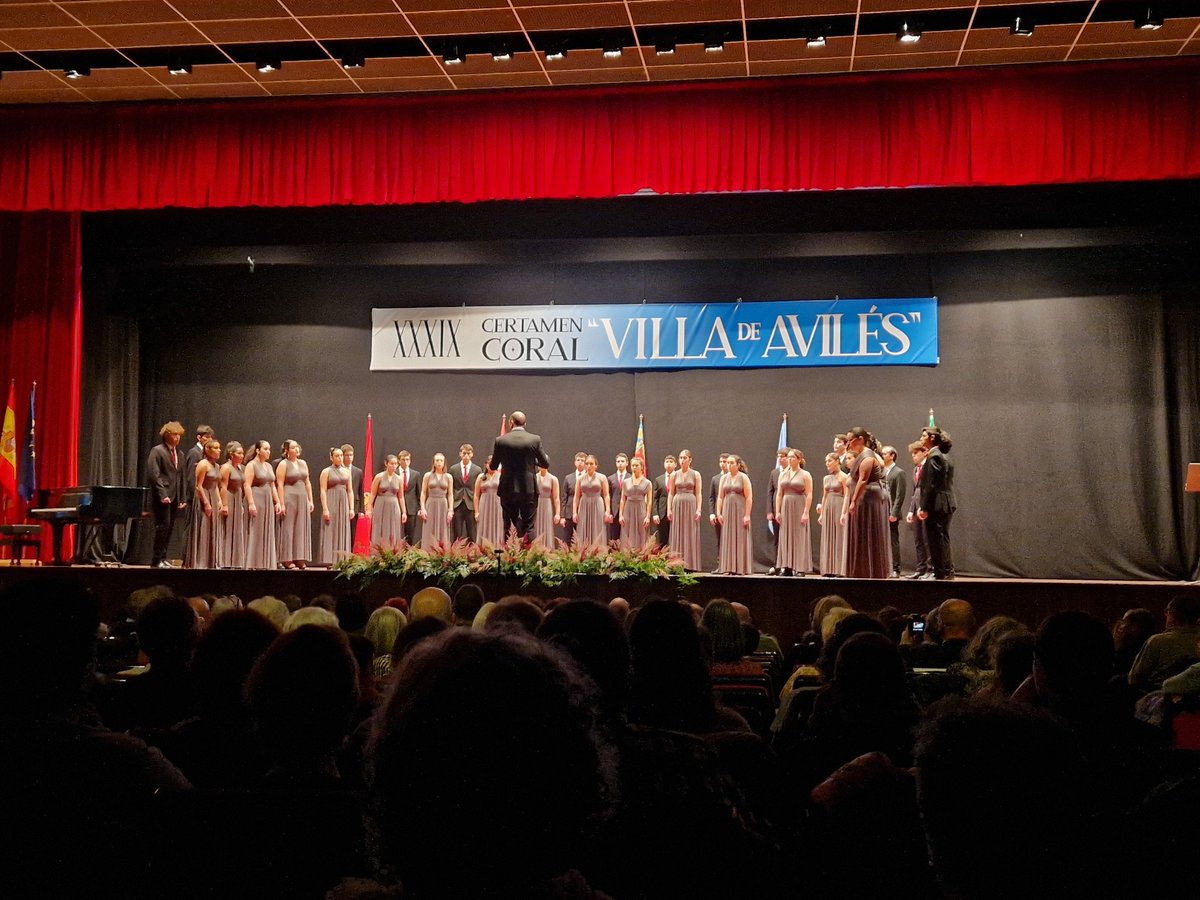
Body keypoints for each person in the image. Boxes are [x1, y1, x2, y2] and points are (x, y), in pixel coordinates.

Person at [489, 411, 550, 539]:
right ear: (525, 423)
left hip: (508, 488)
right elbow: (545, 463)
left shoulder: (500, 440)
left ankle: (509, 557)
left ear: (511, 422)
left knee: (508, 525)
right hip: (528, 488)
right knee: (529, 526)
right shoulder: (534, 439)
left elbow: (493, 466)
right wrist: (533, 461)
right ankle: (530, 556)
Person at [841, 426, 892, 579]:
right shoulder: (860, 455)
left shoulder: (868, 456)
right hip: (863, 497)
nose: (848, 443)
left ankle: (870, 571)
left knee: (867, 532)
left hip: (868, 498)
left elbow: (863, 480)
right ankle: (859, 570)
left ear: (861, 439)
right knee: (860, 533)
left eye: (851, 440)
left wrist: (853, 501)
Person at [916, 425, 956, 580]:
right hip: (944, 502)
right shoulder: (943, 456)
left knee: (935, 538)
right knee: (942, 537)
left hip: (937, 504)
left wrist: (924, 506)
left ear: (932, 438)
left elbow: (931, 485)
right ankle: (946, 571)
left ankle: (939, 572)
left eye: (923, 436)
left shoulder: (934, 457)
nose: (920, 439)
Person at [147, 420, 187, 568]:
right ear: (166, 435)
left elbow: (180, 477)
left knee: (169, 528)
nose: (177, 437)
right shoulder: (157, 451)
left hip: (175, 496)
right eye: (174, 434)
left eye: (179, 435)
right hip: (162, 496)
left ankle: (163, 557)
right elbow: (154, 475)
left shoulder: (180, 454)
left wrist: (182, 497)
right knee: (162, 527)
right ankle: (156, 560)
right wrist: (162, 494)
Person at [184, 439, 225, 568]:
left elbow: (216, 486)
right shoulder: (203, 464)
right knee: (204, 528)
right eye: (216, 448)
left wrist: (219, 501)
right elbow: (198, 486)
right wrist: (206, 503)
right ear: (207, 450)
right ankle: (199, 561)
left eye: (219, 448)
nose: (219, 451)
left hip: (213, 496)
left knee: (213, 529)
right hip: (203, 499)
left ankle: (211, 561)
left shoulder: (217, 466)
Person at [774, 447, 813, 576]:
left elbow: (809, 494)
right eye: (788, 457)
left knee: (799, 535)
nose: (789, 459)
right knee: (785, 535)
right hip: (786, 505)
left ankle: (800, 567)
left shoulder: (805, 475)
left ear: (799, 459)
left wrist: (806, 512)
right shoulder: (783, 473)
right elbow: (779, 494)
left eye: (792, 457)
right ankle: (787, 565)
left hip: (799, 505)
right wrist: (778, 511)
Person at [275, 440, 313, 570]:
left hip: (302, 496)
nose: (296, 449)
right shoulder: (283, 464)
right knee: (288, 527)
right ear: (286, 450)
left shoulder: (303, 463)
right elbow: (279, 484)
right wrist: (282, 502)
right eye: (293, 447)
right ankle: (287, 558)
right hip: (289, 496)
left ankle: (300, 557)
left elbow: (307, 482)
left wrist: (310, 500)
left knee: (301, 527)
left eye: (297, 447)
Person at [243, 440, 281, 569]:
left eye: (269, 449)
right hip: (256, 498)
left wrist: (277, 502)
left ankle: (264, 562)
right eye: (265, 449)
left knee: (266, 530)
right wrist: (251, 503)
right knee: (255, 530)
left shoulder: (269, 466)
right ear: (258, 450)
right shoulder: (251, 465)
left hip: (267, 500)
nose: (268, 451)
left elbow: (272, 485)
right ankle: (251, 563)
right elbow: (247, 485)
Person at [716, 455, 753, 574]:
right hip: (727, 510)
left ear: (738, 464)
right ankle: (728, 567)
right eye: (728, 463)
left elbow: (749, 498)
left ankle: (740, 567)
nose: (729, 465)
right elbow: (720, 497)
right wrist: (719, 512)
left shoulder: (743, 478)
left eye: (732, 463)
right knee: (728, 537)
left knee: (740, 536)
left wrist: (747, 515)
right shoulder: (724, 478)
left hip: (740, 510)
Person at [316, 447, 352, 566]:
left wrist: (351, 508)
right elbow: (322, 490)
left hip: (343, 501)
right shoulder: (326, 471)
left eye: (341, 455)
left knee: (342, 528)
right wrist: (325, 508)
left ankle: (342, 559)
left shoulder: (347, 471)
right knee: (331, 528)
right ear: (331, 457)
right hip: (331, 500)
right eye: (337, 456)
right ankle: (330, 560)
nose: (340, 458)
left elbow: (350, 491)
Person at [667, 449, 702, 571]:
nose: (682, 460)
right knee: (677, 531)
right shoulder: (674, 475)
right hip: (677, 503)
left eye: (684, 458)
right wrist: (669, 509)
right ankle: (676, 564)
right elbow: (671, 493)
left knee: (690, 532)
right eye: (680, 458)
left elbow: (699, 494)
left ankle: (691, 564)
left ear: (690, 460)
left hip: (691, 503)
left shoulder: (696, 474)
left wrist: (698, 509)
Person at [817, 452, 848, 577]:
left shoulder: (844, 477)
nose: (827, 464)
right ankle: (828, 568)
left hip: (839, 505)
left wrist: (844, 512)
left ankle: (839, 569)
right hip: (829, 506)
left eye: (829, 461)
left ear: (837, 461)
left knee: (839, 537)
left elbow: (846, 495)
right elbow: (824, 496)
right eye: (826, 461)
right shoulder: (826, 478)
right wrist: (822, 513)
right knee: (828, 536)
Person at [572, 453, 610, 551]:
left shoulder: (602, 477)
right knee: (583, 529)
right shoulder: (580, 479)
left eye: (591, 464)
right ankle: (583, 554)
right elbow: (576, 496)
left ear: (596, 465)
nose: (588, 466)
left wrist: (607, 511)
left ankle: (599, 553)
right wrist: (574, 512)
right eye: (587, 463)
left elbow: (606, 495)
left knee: (598, 529)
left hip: (598, 505)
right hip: (584, 505)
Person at [366, 453, 404, 550]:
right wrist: (369, 508)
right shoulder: (379, 477)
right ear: (386, 464)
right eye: (392, 463)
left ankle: (392, 553)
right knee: (379, 528)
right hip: (380, 504)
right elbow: (373, 493)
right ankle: (377, 553)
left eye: (396, 464)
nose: (394, 466)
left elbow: (401, 497)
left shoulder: (399, 479)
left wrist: (404, 512)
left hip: (394, 505)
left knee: (393, 529)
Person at [905, 441, 931, 579]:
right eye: (912, 454)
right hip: (916, 507)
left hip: (925, 507)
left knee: (927, 539)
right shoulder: (916, 469)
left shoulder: (929, 467)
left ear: (924, 452)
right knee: (918, 539)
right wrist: (911, 510)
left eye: (916, 453)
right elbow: (915, 491)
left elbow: (928, 489)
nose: (914, 456)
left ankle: (930, 568)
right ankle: (920, 568)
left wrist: (924, 506)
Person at [220, 441, 247, 569]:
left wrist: (241, 504)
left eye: (242, 453)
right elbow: (223, 487)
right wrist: (224, 505)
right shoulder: (226, 467)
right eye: (239, 453)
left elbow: (242, 486)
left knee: (236, 529)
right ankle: (225, 560)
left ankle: (235, 560)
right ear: (231, 454)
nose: (242, 455)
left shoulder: (241, 467)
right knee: (228, 528)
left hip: (237, 499)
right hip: (229, 498)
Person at [882, 445, 907, 577]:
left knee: (893, 540)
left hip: (891, 512)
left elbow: (900, 495)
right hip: (881, 511)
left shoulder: (898, 472)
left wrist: (894, 513)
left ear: (892, 455)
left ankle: (896, 568)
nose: (882, 455)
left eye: (885, 453)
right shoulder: (881, 471)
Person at [419, 452, 453, 550]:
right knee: (429, 528)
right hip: (430, 504)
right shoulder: (427, 476)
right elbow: (423, 493)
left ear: (444, 463)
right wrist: (423, 508)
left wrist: (451, 510)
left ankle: (442, 552)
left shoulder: (448, 477)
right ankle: (427, 552)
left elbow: (450, 494)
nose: (439, 462)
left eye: (441, 460)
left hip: (443, 504)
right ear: (433, 462)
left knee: (443, 529)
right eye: (437, 460)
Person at [619, 455, 654, 550]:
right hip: (628, 509)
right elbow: (622, 499)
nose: (634, 467)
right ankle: (627, 557)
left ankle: (641, 557)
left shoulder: (647, 483)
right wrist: (621, 515)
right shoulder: (626, 482)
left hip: (641, 508)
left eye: (636, 465)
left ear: (641, 467)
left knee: (641, 532)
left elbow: (650, 501)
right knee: (627, 532)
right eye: (633, 465)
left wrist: (647, 516)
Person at [450, 443, 481, 543]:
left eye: (468, 453)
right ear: (460, 454)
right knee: (457, 533)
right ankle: (456, 555)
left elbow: (478, 489)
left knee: (471, 533)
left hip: (471, 504)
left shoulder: (477, 470)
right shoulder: (453, 469)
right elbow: (451, 488)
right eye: (464, 453)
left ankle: (472, 555)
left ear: (472, 454)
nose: (466, 455)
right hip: (457, 503)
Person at [473, 455, 505, 546]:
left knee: (497, 525)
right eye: (489, 463)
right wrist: (476, 512)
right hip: (484, 504)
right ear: (486, 465)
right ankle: (482, 550)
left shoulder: (501, 476)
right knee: (484, 526)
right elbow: (476, 495)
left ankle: (496, 549)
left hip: (497, 504)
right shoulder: (480, 477)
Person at [766, 448, 787, 570]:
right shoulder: (774, 472)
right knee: (777, 538)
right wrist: (770, 510)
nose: (780, 458)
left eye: (782, 456)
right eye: (778, 456)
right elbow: (770, 492)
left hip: (789, 507)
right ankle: (777, 564)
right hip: (776, 509)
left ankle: (789, 564)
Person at [560, 451, 587, 547]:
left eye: (582, 460)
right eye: (578, 460)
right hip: (569, 513)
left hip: (583, 510)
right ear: (575, 462)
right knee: (567, 539)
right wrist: (562, 516)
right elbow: (564, 497)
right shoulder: (568, 478)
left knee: (581, 538)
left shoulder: (588, 477)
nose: (580, 462)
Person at [708, 453, 729, 571]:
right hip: (719, 514)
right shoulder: (715, 479)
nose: (723, 464)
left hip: (731, 512)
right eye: (721, 461)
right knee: (720, 540)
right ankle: (721, 565)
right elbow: (712, 497)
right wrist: (712, 513)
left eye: (725, 461)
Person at [533, 464, 561, 550]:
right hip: (536, 506)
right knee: (535, 527)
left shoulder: (553, 479)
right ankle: (535, 552)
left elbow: (556, 498)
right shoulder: (533, 477)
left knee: (547, 527)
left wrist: (557, 513)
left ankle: (548, 551)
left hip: (547, 504)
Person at [396, 450, 420, 546]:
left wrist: (419, 508)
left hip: (411, 508)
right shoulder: (395, 473)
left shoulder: (416, 474)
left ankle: (408, 554)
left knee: (410, 534)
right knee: (396, 532)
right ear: (399, 461)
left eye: (407, 459)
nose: (405, 462)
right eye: (403, 459)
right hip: (396, 505)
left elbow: (419, 492)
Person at [652, 454, 676, 548]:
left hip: (675, 511)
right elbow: (655, 498)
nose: (668, 464)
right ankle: (663, 560)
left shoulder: (679, 477)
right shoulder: (658, 479)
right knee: (662, 540)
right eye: (667, 462)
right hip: (662, 513)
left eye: (671, 462)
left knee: (675, 539)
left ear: (675, 464)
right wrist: (655, 513)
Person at [341, 444, 363, 536]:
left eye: (351, 455)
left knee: (353, 532)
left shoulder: (358, 472)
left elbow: (361, 490)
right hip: (341, 502)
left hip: (355, 505)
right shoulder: (338, 470)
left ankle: (351, 550)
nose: (349, 457)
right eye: (347, 455)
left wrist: (362, 510)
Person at [608, 453, 630, 544]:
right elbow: (608, 496)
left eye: (622, 461)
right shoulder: (610, 478)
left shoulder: (631, 477)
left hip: (627, 509)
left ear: (627, 463)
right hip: (614, 511)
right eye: (618, 461)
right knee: (614, 536)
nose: (620, 463)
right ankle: (614, 555)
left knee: (627, 534)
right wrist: (609, 512)